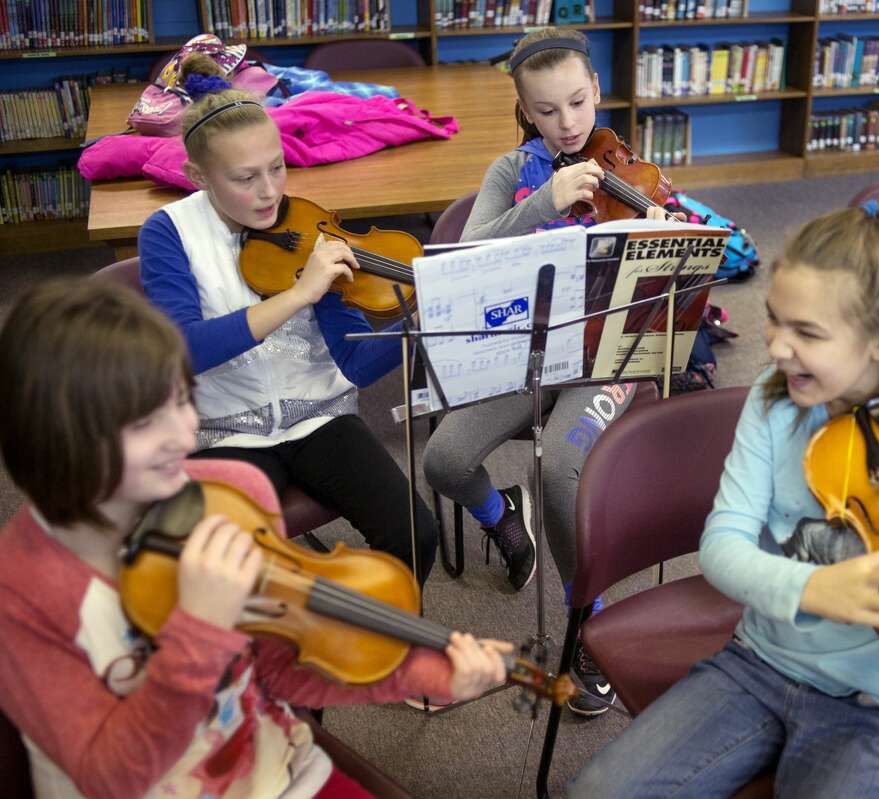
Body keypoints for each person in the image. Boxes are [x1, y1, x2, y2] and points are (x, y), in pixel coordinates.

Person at [0, 279, 510, 799]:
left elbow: (274, 677)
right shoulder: (19, 595)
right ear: (62, 441)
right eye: (148, 422)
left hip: (278, 768)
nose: (184, 433)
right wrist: (199, 630)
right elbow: (111, 779)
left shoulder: (229, 497)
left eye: (182, 400)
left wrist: (421, 673)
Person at [571, 199, 879, 797]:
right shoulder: (773, 403)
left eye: (807, 333)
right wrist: (812, 589)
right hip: (761, 663)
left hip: (878, 701)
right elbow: (722, 545)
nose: (775, 347)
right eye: (775, 319)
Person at [422, 27, 676, 716]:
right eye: (546, 111)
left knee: (560, 467)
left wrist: (661, 232)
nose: (566, 123)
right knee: (443, 457)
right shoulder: (513, 172)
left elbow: (679, 277)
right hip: (529, 347)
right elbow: (468, 250)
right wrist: (546, 200)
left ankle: (586, 618)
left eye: (576, 103)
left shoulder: (636, 171)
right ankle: (504, 521)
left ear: (596, 90)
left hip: (606, 357)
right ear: (526, 112)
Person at [137, 54, 439, 588]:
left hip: (321, 416)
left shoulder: (304, 222)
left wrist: (419, 323)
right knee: (222, 574)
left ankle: (388, 655)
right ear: (198, 176)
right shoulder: (168, 233)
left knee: (414, 532)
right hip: (224, 430)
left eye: (276, 167)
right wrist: (299, 294)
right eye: (244, 178)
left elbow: (351, 365)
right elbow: (182, 351)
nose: (270, 192)